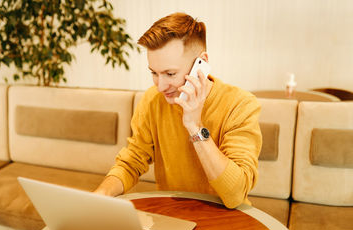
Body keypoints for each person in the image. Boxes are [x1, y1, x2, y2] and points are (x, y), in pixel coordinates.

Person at [95, 12, 262, 209]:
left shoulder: (240, 105)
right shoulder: (152, 101)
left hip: (227, 221)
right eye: (154, 73)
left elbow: (235, 194)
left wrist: (195, 126)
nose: (160, 86)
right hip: (174, 217)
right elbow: (131, 162)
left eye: (170, 73)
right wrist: (100, 195)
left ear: (202, 64)